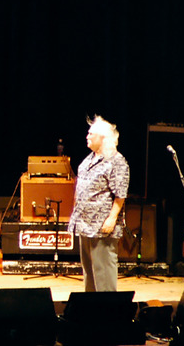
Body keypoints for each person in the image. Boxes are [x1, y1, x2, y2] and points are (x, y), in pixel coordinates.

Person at [68, 115, 129, 292]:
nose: (87, 136)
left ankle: (108, 310)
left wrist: (112, 218)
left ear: (103, 137)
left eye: (91, 133)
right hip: (85, 225)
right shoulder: (88, 160)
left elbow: (120, 194)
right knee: (89, 272)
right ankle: (90, 308)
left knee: (103, 272)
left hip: (101, 227)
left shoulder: (116, 161)